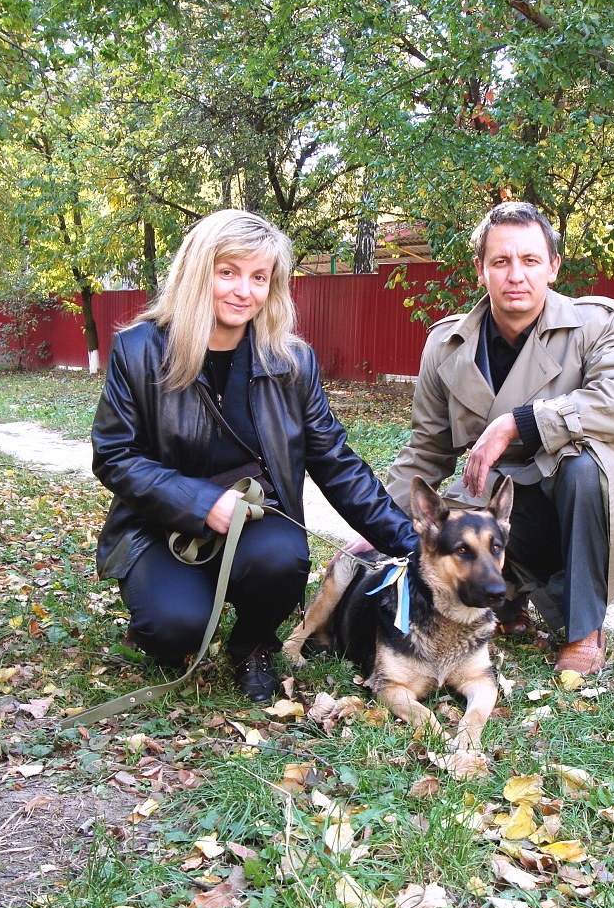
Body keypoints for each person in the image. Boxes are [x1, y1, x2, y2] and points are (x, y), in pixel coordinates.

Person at [92, 209, 418, 702]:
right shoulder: (139, 350)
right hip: (159, 527)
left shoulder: (291, 362)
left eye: (259, 277)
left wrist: (411, 543)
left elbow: (335, 461)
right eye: (228, 272)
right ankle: (170, 613)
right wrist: (201, 503)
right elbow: (115, 455)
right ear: (198, 271)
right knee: (173, 630)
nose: (244, 291)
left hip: (256, 524)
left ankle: (252, 645)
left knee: (284, 558)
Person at [385, 202, 614, 675]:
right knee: (459, 518)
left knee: (587, 471)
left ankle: (584, 629)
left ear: (553, 267)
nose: (516, 275)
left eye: (530, 260)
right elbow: (426, 448)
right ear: (480, 269)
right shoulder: (446, 345)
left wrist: (519, 423)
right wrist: (377, 526)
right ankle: (505, 601)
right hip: (500, 504)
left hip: (571, 497)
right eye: (501, 261)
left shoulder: (596, 325)